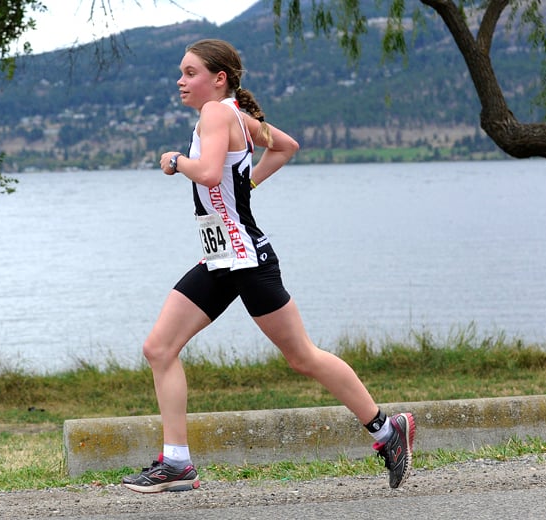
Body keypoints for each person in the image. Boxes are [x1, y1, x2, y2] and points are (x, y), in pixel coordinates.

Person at [121, 38, 415, 494]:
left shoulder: (217, 113)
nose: (181, 81)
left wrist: (176, 161)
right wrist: (245, 185)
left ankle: (386, 430)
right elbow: (286, 146)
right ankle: (177, 462)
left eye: (190, 72)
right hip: (222, 258)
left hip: (248, 260)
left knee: (302, 356)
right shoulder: (237, 114)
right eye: (181, 73)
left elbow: (208, 172)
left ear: (218, 79)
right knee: (159, 348)